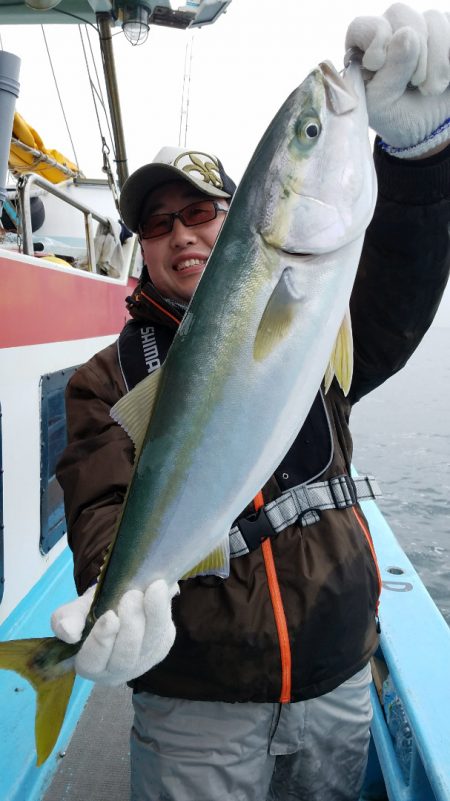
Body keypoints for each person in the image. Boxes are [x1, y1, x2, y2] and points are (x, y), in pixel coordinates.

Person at [52, 5, 450, 800]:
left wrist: (420, 161)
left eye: (201, 210)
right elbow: (101, 510)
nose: (182, 233)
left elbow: (398, 290)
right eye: (158, 223)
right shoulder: (106, 376)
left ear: (239, 217)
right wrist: (115, 597)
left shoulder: (319, 321)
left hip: (334, 674)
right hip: (194, 701)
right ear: (143, 247)